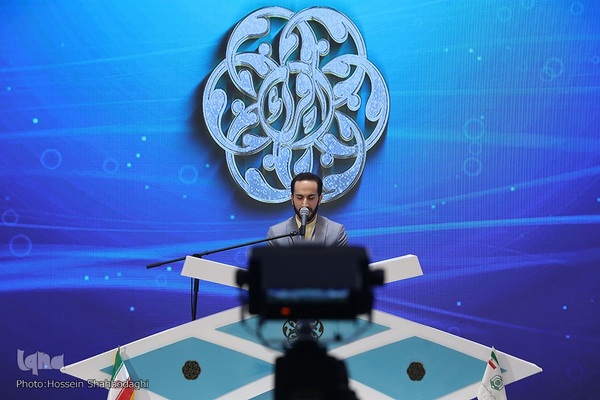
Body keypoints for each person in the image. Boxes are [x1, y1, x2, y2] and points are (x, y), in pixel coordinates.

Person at [267, 172, 348, 246]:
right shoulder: (276, 234)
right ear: (292, 199)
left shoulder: (336, 232)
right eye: (299, 197)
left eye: (311, 198)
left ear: (319, 199)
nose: (305, 204)